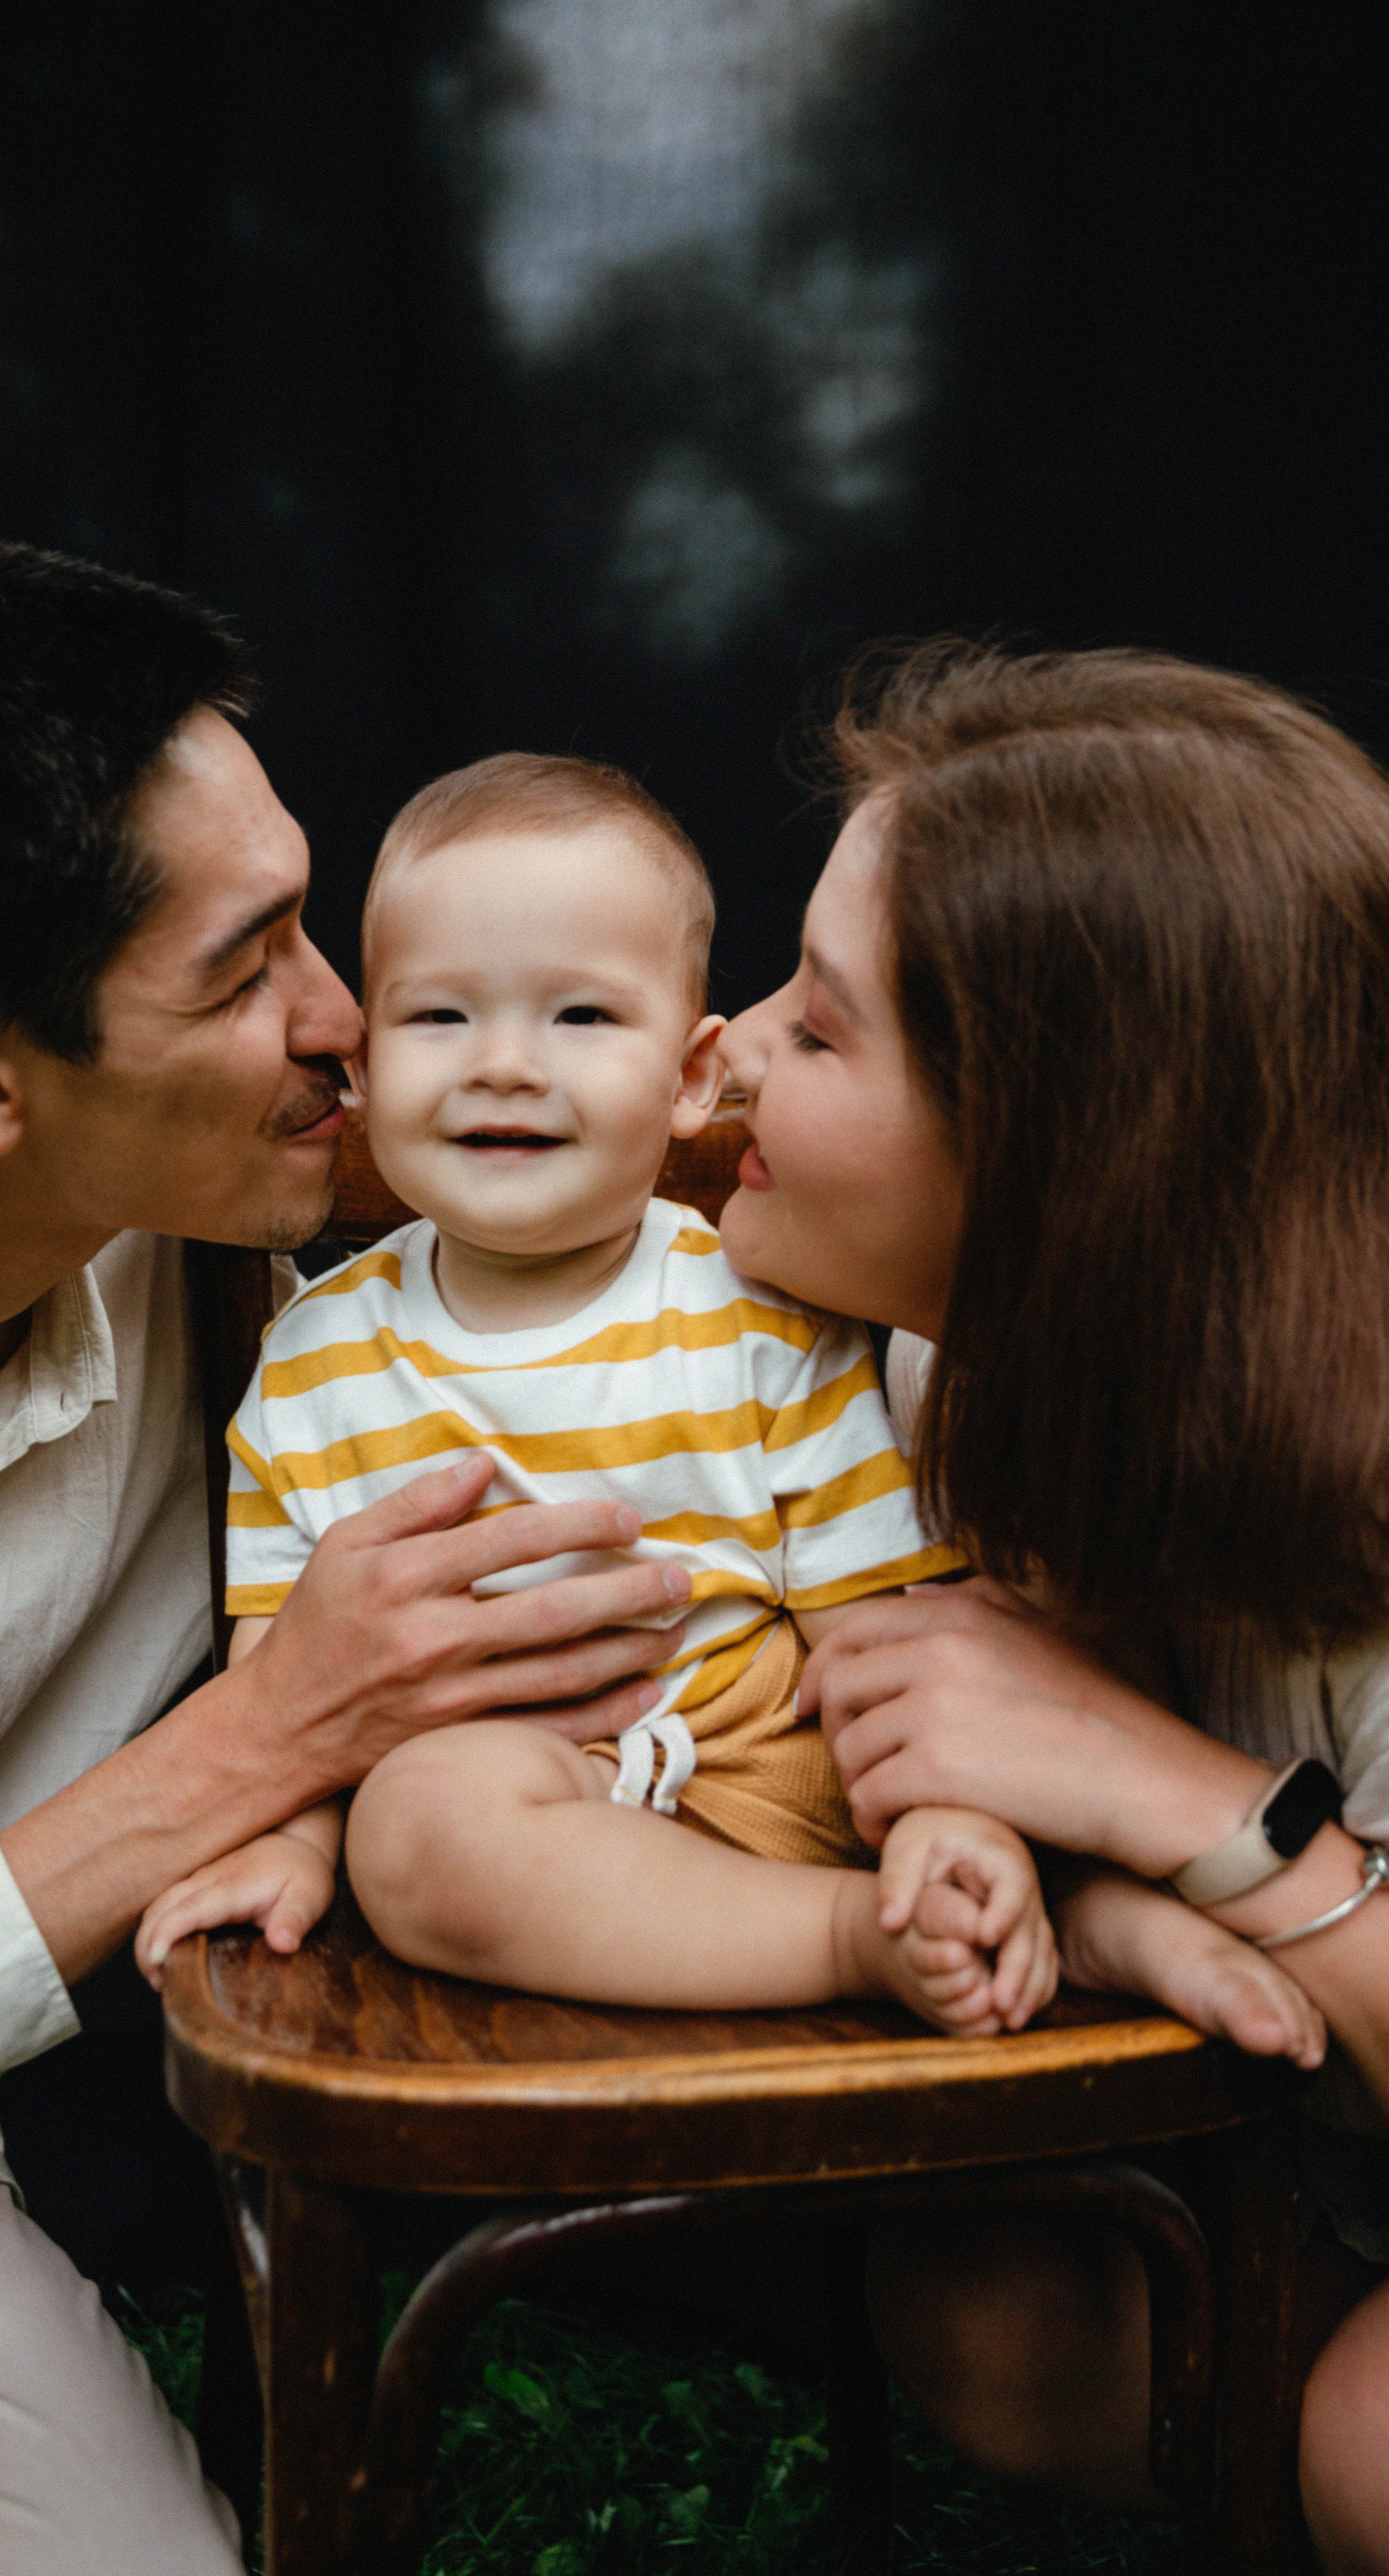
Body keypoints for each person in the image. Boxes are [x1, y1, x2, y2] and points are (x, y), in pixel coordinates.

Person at [0, 537, 692, 2576]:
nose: (347, 1024)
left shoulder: (236, 1258)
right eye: (245, 973)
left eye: (310, 922)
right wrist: (246, 1753)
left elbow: (583, 1195)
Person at [715, 641, 1389, 2571]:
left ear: (1065, 1173)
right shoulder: (952, 1363)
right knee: (1008, 2315)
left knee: (1371, 2434)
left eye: (819, 1031)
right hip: (1322, 2186)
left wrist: (1179, 1797)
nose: (729, 1043)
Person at [148, 753, 1086, 2028]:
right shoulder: (314, 1360)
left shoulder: (757, 1312)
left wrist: (943, 1822)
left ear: (695, 1076)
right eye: (441, 1018)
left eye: (580, 1018)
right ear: (364, 1058)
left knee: (993, 1780)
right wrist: (293, 1844)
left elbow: (880, 1621)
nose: (505, 1066)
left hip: (772, 1751)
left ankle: (927, 1916)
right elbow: (287, 1679)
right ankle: (844, 1945)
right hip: (515, 1804)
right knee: (416, 1829)